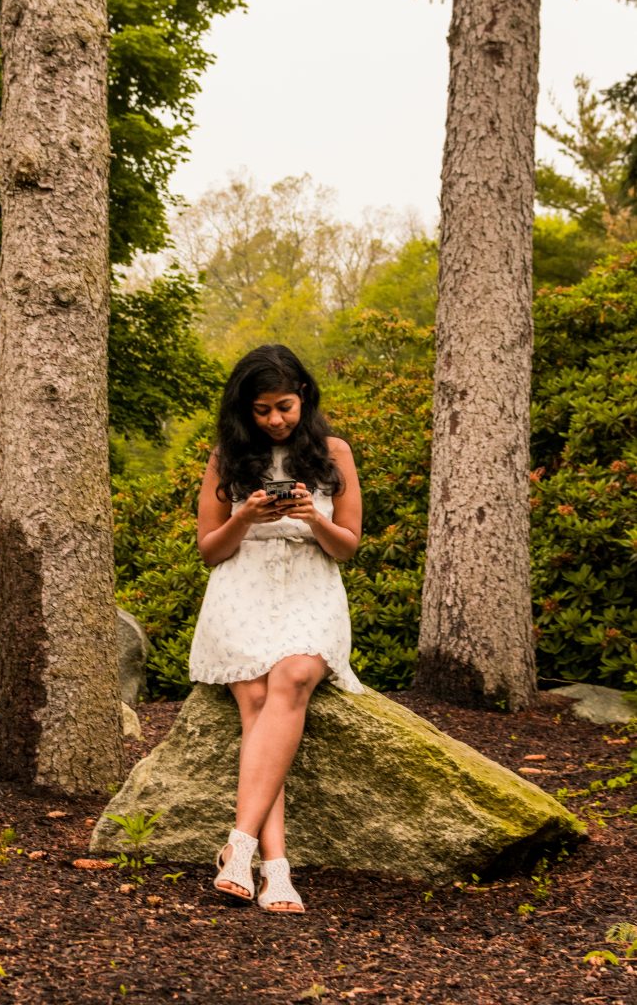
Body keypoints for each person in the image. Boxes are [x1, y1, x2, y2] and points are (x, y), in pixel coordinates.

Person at [189, 344, 364, 914]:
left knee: (293, 675)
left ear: (304, 397)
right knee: (259, 700)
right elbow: (211, 552)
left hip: (311, 588)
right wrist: (244, 516)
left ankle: (240, 848)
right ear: (246, 411)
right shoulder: (227, 457)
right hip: (243, 590)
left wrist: (315, 518)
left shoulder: (334, 452)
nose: (275, 420)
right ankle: (275, 868)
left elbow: (349, 547)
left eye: (284, 406)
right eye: (262, 410)